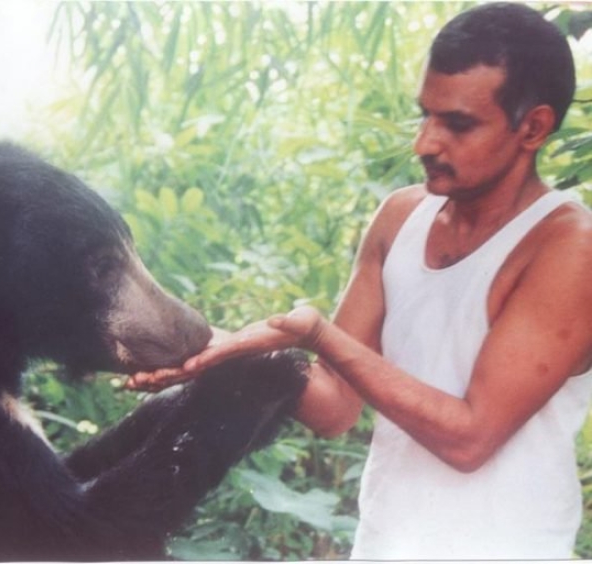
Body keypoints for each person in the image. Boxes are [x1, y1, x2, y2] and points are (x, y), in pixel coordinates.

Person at [127, 3, 592, 559]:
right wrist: (219, 346)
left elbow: (470, 439)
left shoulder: (568, 248)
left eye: (458, 123)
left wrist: (319, 335)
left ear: (533, 127)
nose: (424, 142)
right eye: (425, 115)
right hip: (386, 541)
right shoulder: (401, 218)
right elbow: (336, 406)